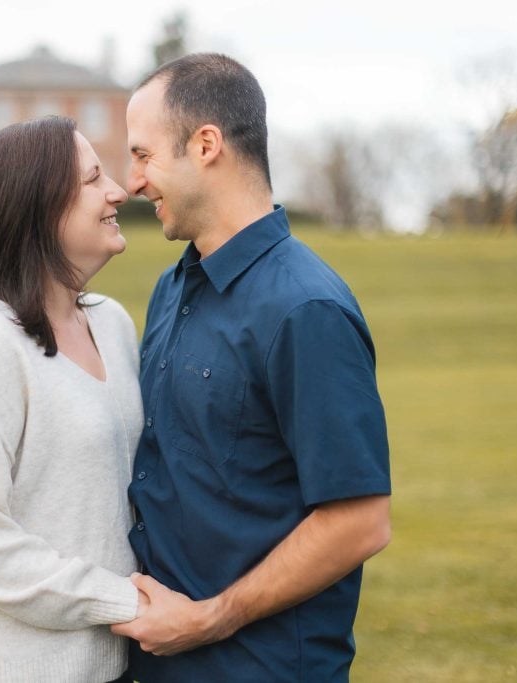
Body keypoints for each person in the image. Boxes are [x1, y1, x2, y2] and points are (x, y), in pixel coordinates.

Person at [109, 53, 393, 681]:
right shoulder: (171, 288)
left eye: (144, 155)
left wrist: (210, 618)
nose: (132, 182)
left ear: (205, 144)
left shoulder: (305, 307)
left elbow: (359, 522)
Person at [0, 116, 146, 683]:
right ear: (39, 211)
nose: (117, 190)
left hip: (113, 664)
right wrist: (122, 601)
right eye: (93, 179)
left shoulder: (111, 324)